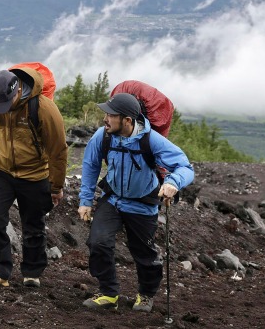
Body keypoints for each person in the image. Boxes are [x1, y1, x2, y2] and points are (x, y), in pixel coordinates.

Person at [77, 93, 194, 312]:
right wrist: (85, 200)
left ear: (128, 120)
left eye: (111, 115)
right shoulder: (102, 136)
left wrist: (173, 183)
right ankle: (108, 293)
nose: (105, 119)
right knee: (98, 243)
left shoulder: (152, 140)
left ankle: (146, 295)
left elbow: (185, 168)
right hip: (112, 200)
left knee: (144, 254)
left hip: (142, 204)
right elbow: (90, 165)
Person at [0, 67, 68, 288]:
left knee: (33, 225)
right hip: (1, 170)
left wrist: (56, 186)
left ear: (17, 91)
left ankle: (32, 272)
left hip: (34, 174)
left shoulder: (43, 108)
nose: (1, 109)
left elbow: (58, 150)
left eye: (6, 104)